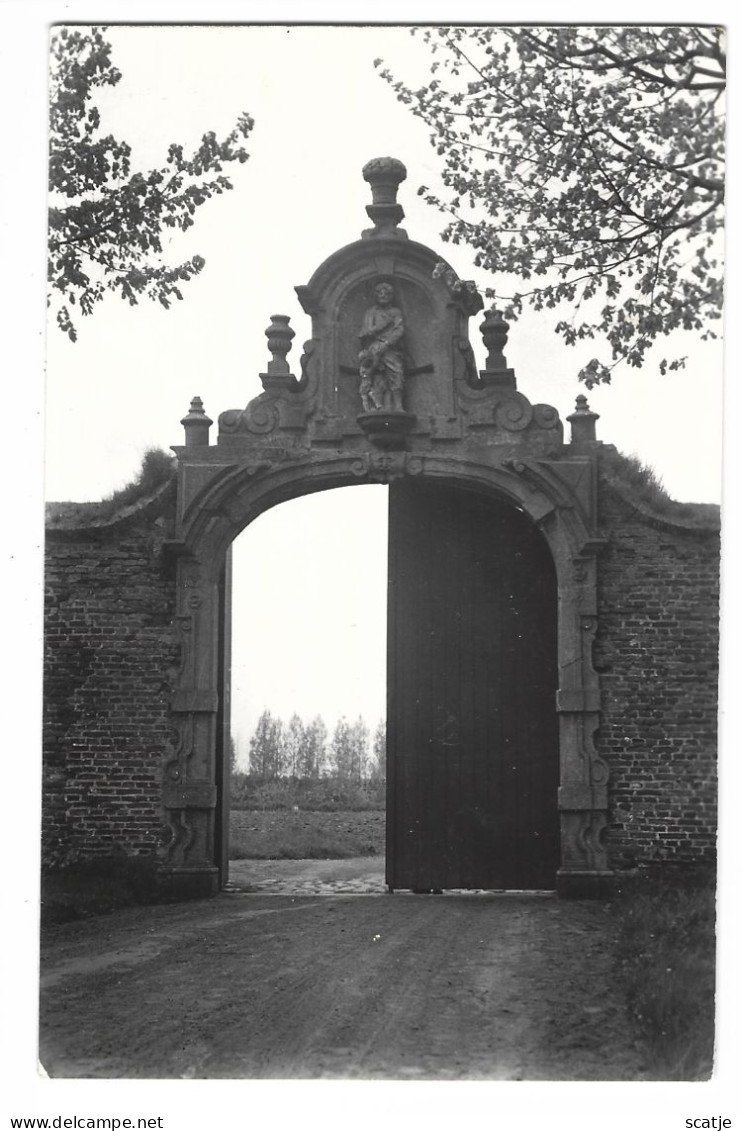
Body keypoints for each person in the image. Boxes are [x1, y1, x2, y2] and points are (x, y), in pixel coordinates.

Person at [358, 281, 406, 412]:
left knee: (396, 373)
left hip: (390, 348)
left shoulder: (396, 312)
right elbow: (367, 331)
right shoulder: (371, 312)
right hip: (374, 348)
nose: (383, 296)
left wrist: (387, 343)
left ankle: (398, 405)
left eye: (386, 293)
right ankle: (373, 405)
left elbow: (399, 330)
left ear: (391, 296)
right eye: (380, 293)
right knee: (372, 376)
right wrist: (382, 326)